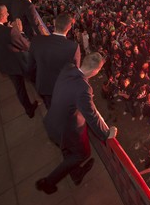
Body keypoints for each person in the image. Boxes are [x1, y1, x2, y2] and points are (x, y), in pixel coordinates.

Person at [36, 52, 117, 194]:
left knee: (68, 151)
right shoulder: (84, 89)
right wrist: (106, 133)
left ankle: (76, 173)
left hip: (52, 121)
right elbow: (91, 115)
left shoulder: (68, 68)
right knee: (82, 153)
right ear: (95, 71)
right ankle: (49, 182)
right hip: (63, 131)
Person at [0, 3, 39, 117]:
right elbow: (27, 46)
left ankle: (29, 110)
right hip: (22, 63)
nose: (8, 14)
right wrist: (19, 32)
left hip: (6, 65)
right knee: (36, 81)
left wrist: (10, 31)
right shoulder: (10, 32)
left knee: (20, 90)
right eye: (5, 13)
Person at [28, 12, 81, 109]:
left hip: (44, 86)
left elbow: (30, 67)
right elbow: (75, 73)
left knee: (50, 110)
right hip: (63, 89)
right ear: (69, 27)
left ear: (55, 23)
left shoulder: (36, 40)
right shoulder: (73, 47)